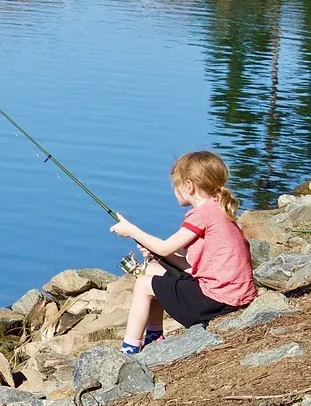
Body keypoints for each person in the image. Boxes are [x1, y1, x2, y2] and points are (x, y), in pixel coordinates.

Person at [109, 151, 258, 354]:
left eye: (176, 185)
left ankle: (129, 348)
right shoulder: (217, 209)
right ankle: (154, 337)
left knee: (144, 284)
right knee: (152, 269)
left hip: (218, 303)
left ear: (189, 185)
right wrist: (159, 255)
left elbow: (165, 247)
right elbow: (193, 267)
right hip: (234, 296)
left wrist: (132, 231)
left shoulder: (201, 215)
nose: (174, 190)